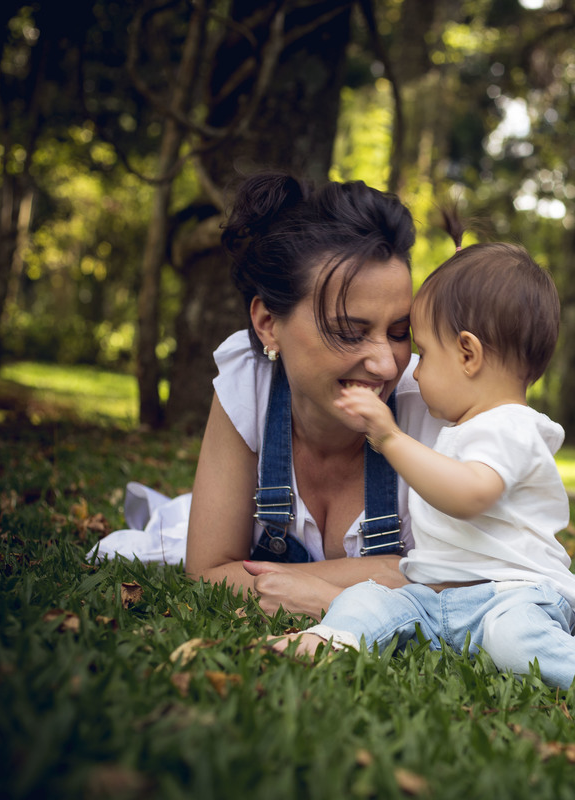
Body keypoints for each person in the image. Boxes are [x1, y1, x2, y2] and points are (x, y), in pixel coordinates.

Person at [269, 238, 575, 709]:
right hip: (436, 599)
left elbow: (468, 495)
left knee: (514, 639)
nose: (415, 373)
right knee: (369, 599)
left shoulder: (513, 427)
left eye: (425, 354)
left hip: (514, 598)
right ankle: (332, 638)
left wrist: (389, 437)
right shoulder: (464, 428)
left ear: (468, 354)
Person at [181, 171, 445, 618]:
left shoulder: (431, 408)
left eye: (400, 332)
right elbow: (207, 571)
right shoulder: (249, 383)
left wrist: (321, 596)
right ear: (268, 324)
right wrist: (384, 573)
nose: (386, 365)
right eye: (349, 332)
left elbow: (461, 584)